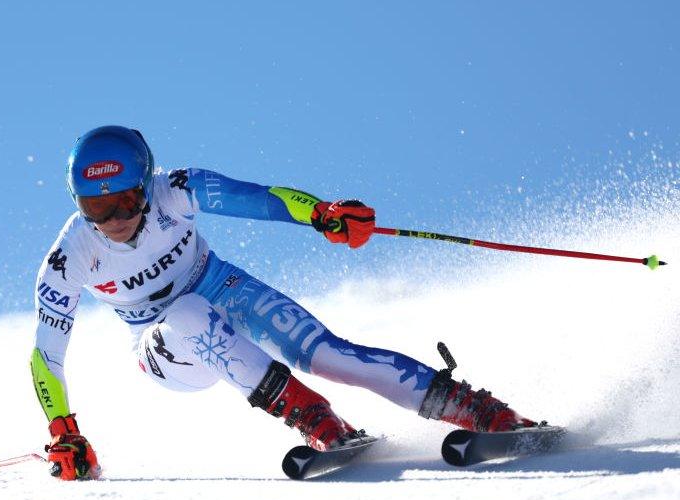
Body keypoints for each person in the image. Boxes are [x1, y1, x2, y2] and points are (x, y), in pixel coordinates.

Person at [32, 125, 537, 480]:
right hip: (164, 350)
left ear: (147, 185)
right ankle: (314, 418)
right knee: (185, 315)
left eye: (125, 199)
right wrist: (64, 432)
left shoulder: (177, 190)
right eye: (96, 205)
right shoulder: (69, 257)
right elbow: (46, 354)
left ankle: (485, 413)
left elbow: (259, 198)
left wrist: (323, 214)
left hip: (221, 286)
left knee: (330, 354)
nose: (114, 217)